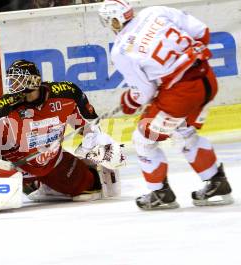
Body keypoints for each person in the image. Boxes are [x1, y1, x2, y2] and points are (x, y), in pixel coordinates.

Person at [97, 0, 233, 210]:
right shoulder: (155, 11)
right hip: (206, 78)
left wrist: (129, 101)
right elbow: (202, 32)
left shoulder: (122, 50)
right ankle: (217, 184)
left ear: (114, 21)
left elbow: (144, 93)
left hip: (180, 96)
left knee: (143, 139)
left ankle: (160, 193)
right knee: (183, 131)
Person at [0, 59, 125, 202]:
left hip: (52, 163)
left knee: (89, 186)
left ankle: (47, 183)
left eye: (18, 81)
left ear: (32, 81)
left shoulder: (66, 94)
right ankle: (32, 183)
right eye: (11, 81)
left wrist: (95, 143)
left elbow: (87, 125)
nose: (13, 86)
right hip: (14, 165)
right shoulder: (6, 106)